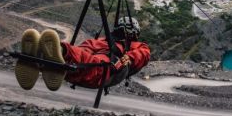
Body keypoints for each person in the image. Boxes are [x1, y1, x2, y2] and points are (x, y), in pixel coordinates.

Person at [14, 17, 150, 91]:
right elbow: (85, 48)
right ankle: (45, 55)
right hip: (98, 53)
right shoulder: (102, 40)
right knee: (83, 50)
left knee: (95, 61)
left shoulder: (134, 46)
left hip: (111, 64)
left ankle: (59, 51)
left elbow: (144, 54)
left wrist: (130, 57)